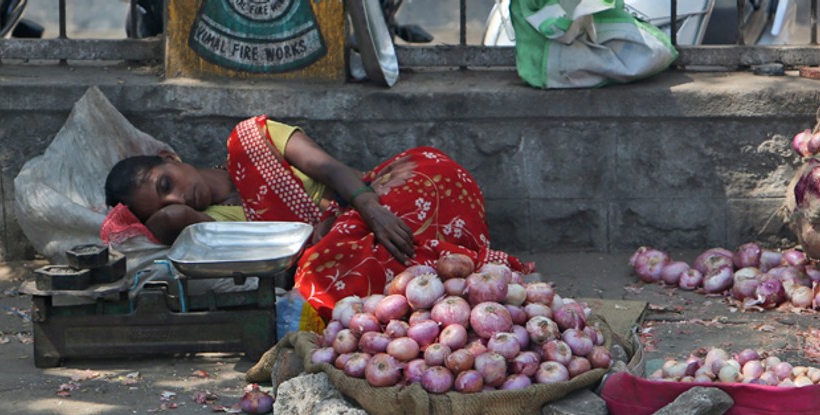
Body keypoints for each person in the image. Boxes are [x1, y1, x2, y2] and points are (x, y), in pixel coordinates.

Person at [102, 115, 528, 319]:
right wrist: (171, 215)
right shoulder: (208, 229)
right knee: (320, 282)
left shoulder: (252, 141)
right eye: (166, 203)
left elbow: (331, 170)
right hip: (332, 250)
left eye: (165, 182)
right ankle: (443, 272)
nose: (177, 196)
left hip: (371, 203)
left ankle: (431, 262)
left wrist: (371, 210)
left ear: (169, 157)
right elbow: (277, 270)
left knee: (432, 170)